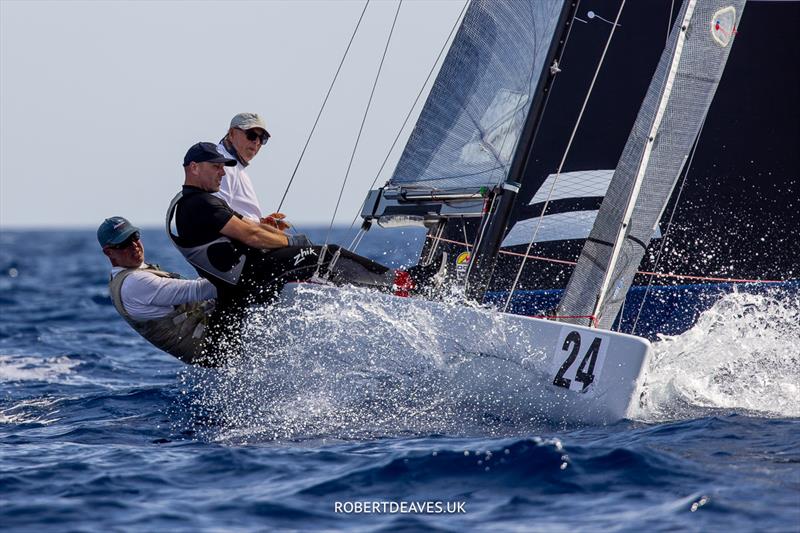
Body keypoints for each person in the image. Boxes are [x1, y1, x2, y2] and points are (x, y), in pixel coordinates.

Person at [98, 216, 219, 366]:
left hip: (212, 331)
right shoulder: (134, 283)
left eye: (134, 237)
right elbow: (200, 290)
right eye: (124, 244)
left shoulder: (129, 274)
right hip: (213, 347)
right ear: (109, 252)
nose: (134, 245)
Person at [215, 112, 288, 230]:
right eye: (251, 135)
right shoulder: (223, 164)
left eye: (262, 138)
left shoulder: (235, 164)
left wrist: (261, 223)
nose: (257, 142)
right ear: (232, 133)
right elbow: (217, 215)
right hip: (236, 243)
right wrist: (259, 229)